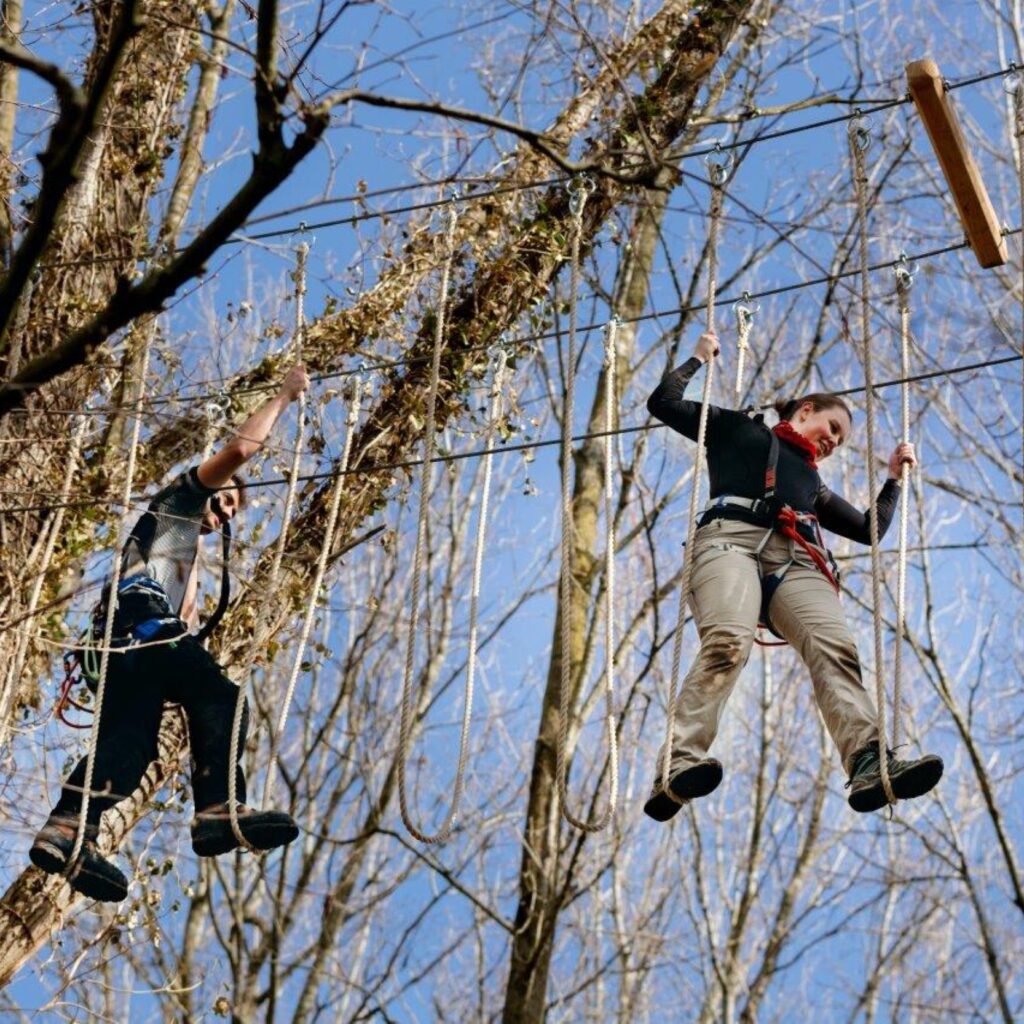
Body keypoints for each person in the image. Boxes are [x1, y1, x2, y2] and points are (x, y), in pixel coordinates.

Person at [30, 365, 311, 902]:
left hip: (129, 648)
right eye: (225, 498)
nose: (225, 510)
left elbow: (181, 609)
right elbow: (241, 451)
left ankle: (67, 828)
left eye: (232, 510)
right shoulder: (177, 503)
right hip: (143, 630)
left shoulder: (183, 552)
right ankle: (217, 809)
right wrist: (283, 397)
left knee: (129, 751)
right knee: (220, 697)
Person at [643, 331, 943, 823]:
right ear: (804, 410)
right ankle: (678, 765)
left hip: (795, 559)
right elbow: (664, 402)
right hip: (728, 539)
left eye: (841, 440)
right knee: (726, 643)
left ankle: (868, 759)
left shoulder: (813, 484)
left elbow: (870, 529)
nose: (832, 441)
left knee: (835, 647)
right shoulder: (734, 428)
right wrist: (698, 358)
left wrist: (892, 478)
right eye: (831, 427)